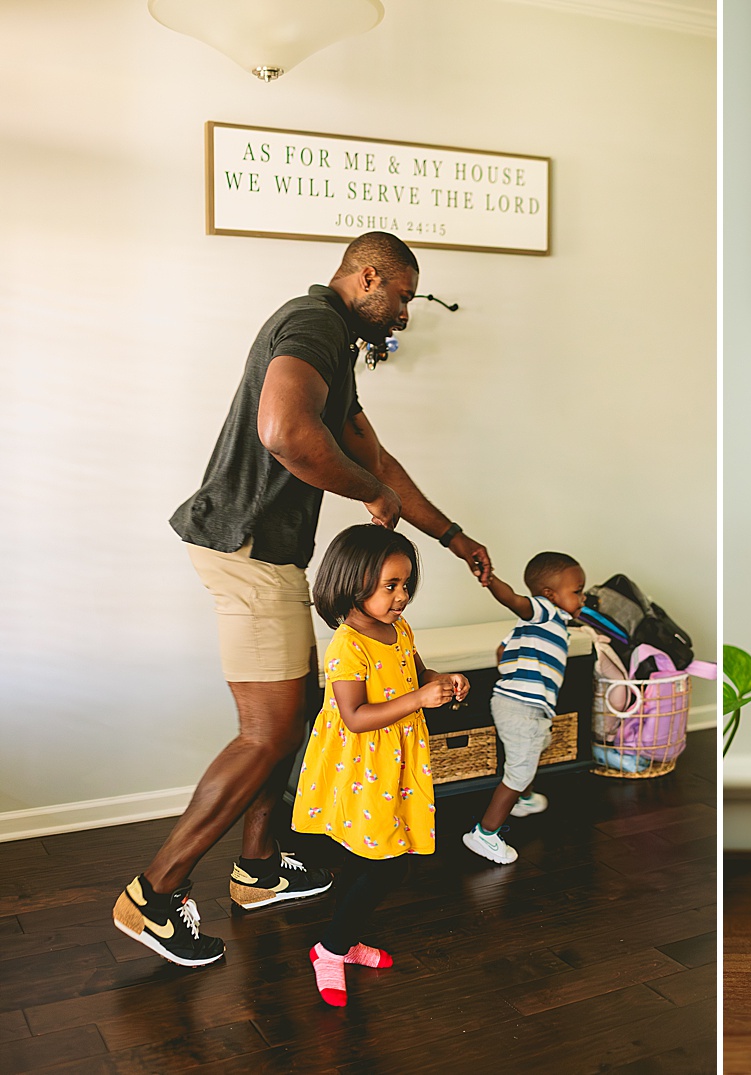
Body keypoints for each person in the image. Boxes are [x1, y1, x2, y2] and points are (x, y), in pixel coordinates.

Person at [112, 232, 491, 968]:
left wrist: (452, 536)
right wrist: (370, 494)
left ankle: (258, 867)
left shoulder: (335, 345)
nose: (405, 314)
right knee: (268, 731)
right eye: (404, 297)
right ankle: (153, 892)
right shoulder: (315, 323)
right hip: (248, 548)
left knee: (286, 723)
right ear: (369, 276)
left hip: (262, 551)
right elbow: (285, 430)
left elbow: (378, 461)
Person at [291, 524, 463, 1006]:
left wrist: (440, 682)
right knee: (383, 861)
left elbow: (416, 672)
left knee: (389, 856)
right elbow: (355, 716)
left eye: (406, 584)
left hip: (399, 762)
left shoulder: (397, 629)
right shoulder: (348, 644)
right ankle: (330, 949)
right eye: (390, 586)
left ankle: (344, 940)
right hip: (365, 765)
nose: (402, 596)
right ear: (352, 582)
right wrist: (418, 698)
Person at [463, 552, 586, 864]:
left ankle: (526, 800)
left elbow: (502, 649)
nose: (583, 597)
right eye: (578, 591)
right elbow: (515, 601)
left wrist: (512, 671)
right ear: (550, 595)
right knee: (518, 771)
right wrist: (492, 583)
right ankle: (486, 834)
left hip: (515, 703)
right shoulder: (544, 611)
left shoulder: (548, 624)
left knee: (535, 747)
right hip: (522, 706)